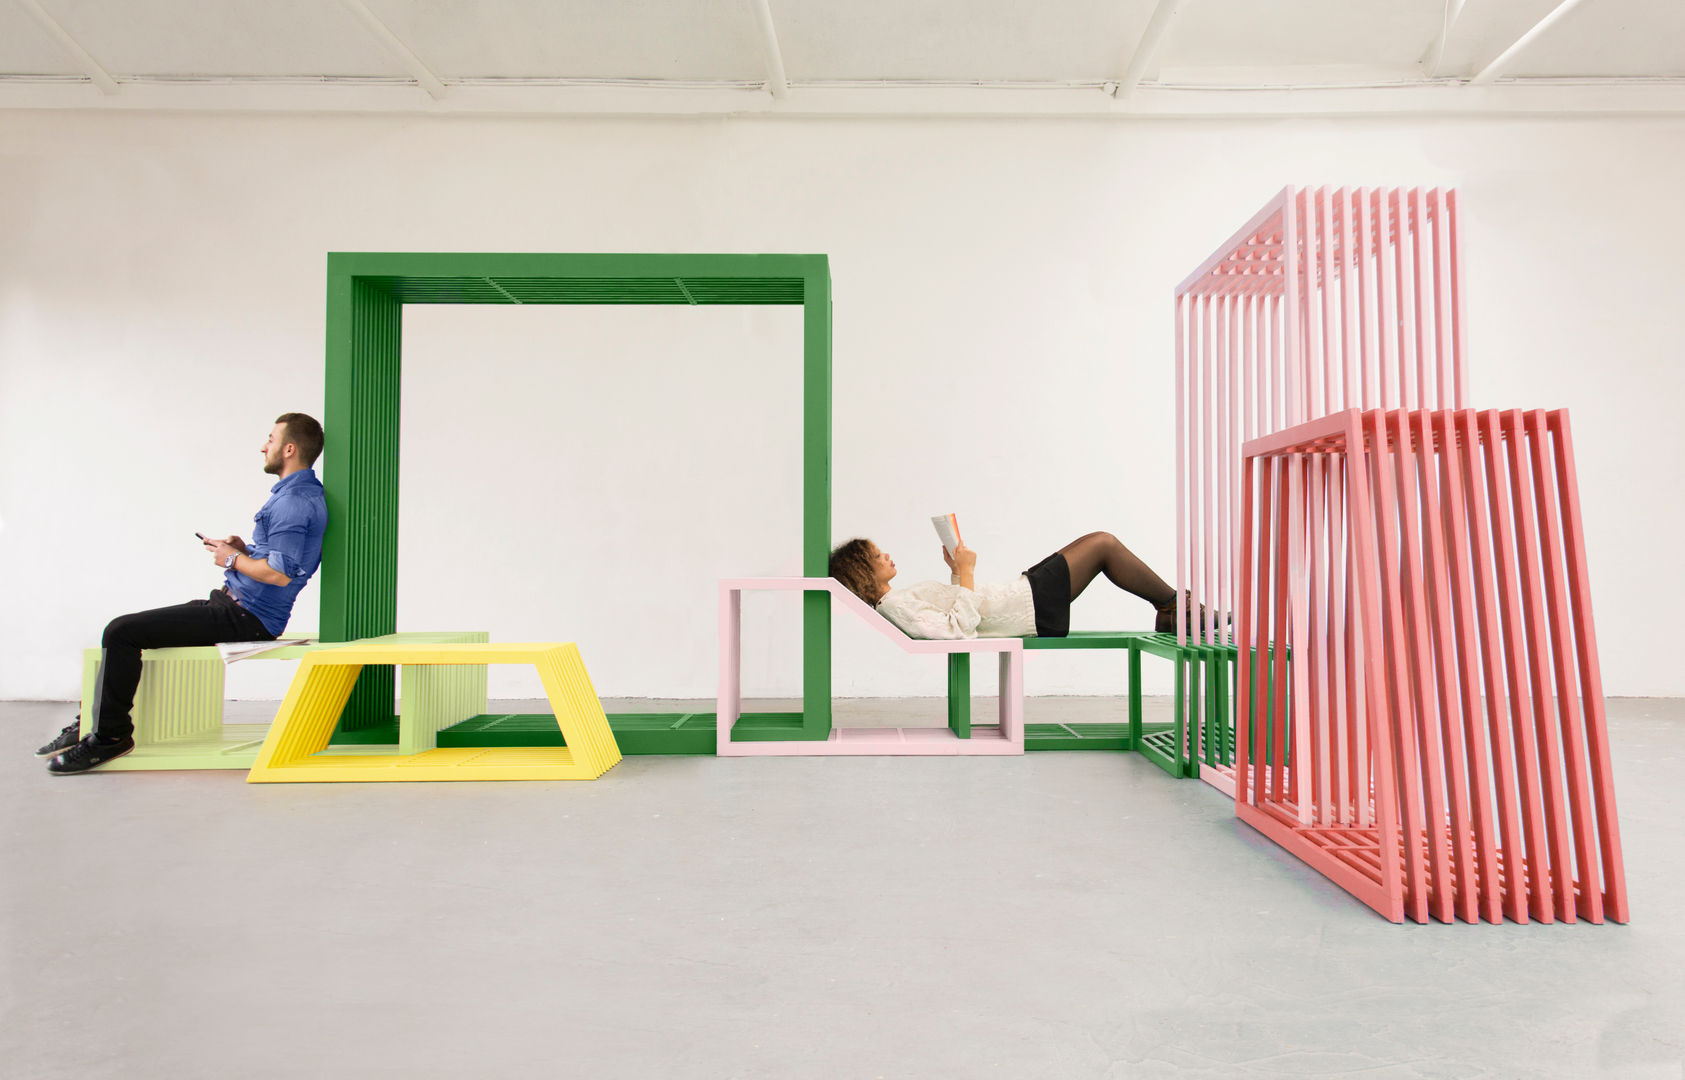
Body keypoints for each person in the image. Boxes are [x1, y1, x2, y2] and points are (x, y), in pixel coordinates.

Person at [36, 413, 328, 774]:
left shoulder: (293, 502)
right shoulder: (293, 496)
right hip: (232, 607)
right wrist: (244, 550)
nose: (263, 446)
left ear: (289, 448)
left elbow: (280, 575)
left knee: (121, 632)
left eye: (270, 439)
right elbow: (277, 560)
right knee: (128, 632)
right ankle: (90, 725)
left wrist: (233, 559)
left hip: (246, 619)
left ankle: (110, 738)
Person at [828, 531, 1192, 640]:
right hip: (1029, 607)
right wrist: (967, 574)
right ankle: (1176, 607)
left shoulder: (897, 600)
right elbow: (956, 631)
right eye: (877, 556)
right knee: (1103, 545)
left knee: (1100, 544)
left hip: (1022, 596)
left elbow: (955, 613)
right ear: (863, 571)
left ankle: (1170, 609)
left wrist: (957, 571)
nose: (887, 555)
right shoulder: (896, 607)